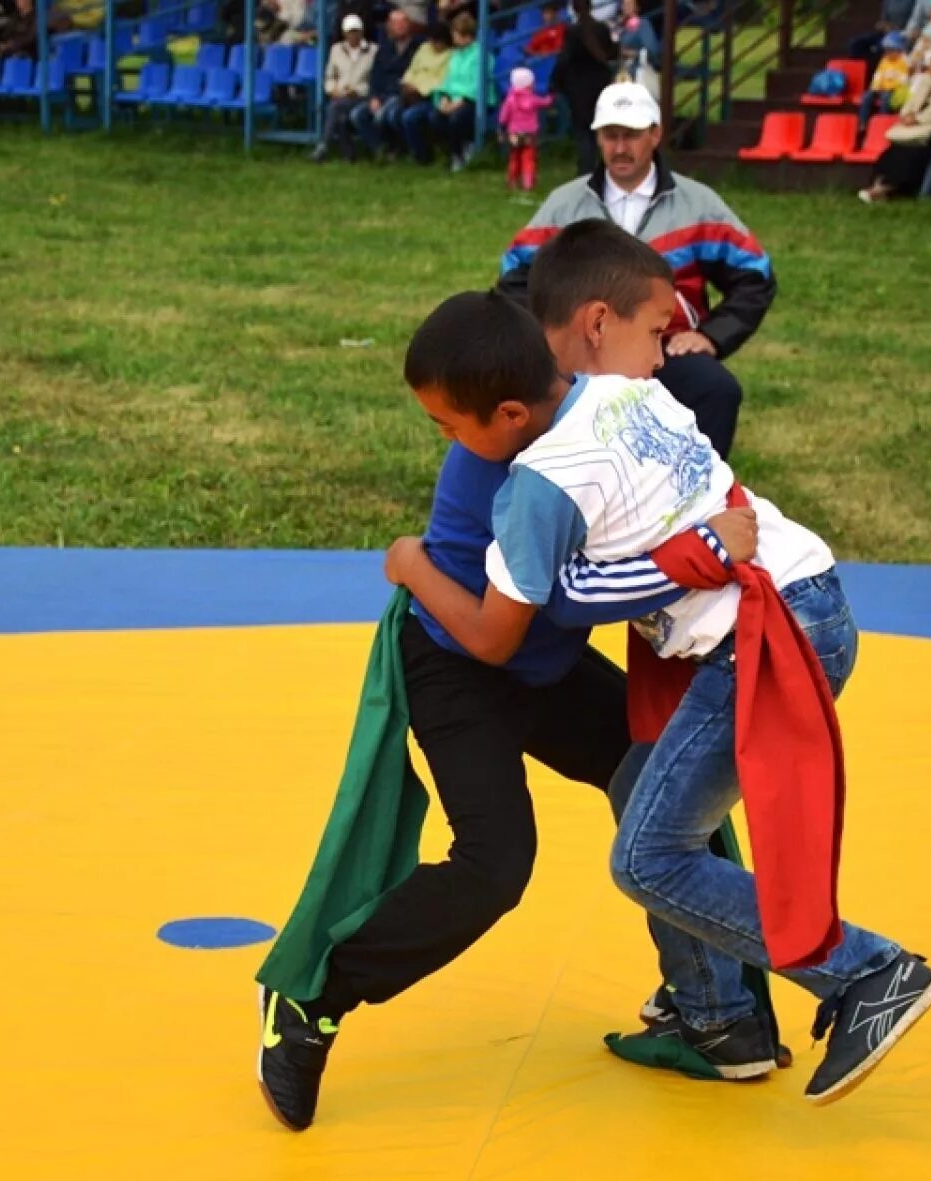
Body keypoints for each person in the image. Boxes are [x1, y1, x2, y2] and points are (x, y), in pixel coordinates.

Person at [382, 289, 931, 1106]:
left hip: (755, 640)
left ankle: (868, 972)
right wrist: (706, 545)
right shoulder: (625, 392)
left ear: (506, 414)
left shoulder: (535, 489)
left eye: (449, 427)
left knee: (649, 856)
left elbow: (515, 625)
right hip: (806, 593)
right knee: (645, 794)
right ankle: (716, 1016)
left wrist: (410, 564)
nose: (449, 445)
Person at [251, 275, 770, 1135]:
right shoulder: (505, 470)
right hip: (460, 664)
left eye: (448, 425)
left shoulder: (596, 423)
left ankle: (714, 1007)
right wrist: (417, 567)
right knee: (497, 864)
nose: (446, 442)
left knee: (663, 773)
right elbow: (493, 637)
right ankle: (311, 996)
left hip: (536, 661)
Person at [498, 84, 776, 462]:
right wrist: (549, 342)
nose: (620, 148)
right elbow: (515, 274)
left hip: (663, 349)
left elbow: (755, 274)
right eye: (610, 136)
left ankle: (693, 497)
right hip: (581, 356)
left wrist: (712, 336)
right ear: (598, 138)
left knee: (716, 389)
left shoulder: (697, 204)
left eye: (631, 136)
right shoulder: (565, 204)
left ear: (655, 134)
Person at [859, 45, 931, 201]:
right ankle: (877, 186)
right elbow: (913, 100)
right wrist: (907, 113)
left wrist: (918, 119)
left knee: (910, 156)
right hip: (912, 127)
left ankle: (882, 190)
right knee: (893, 152)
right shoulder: (927, 79)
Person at [551, 0, 617, 172]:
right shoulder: (602, 28)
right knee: (601, 129)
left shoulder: (573, 32)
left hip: (578, 89)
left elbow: (565, 60)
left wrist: (555, 83)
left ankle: (586, 170)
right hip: (601, 85)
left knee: (583, 132)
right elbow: (611, 53)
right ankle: (605, 167)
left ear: (574, 8)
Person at [352, 7, 414, 160]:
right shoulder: (384, 49)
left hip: (402, 95)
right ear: (390, 26)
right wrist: (373, 97)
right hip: (382, 94)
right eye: (395, 23)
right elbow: (375, 75)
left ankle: (399, 149)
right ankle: (380, 150)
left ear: (408, 25)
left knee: (384, 115)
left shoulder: (418, 47)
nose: (399, 26)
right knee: (357, 115)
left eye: (402, 23)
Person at [313, 13, 374, 161]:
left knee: (335, 108)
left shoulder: (373, 51)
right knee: (340, 116)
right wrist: (331, 89)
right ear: (344, 33)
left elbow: (376, 81)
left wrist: (359, 91)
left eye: (356, 31)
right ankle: (349, 155)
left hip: (362, 96)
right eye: (350, 32)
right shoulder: (336, 50)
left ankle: (324, 145)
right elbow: (330, 76)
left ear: (361, 31)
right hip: (341, 94)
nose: (353, 35)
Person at [428, 10, 481, 171]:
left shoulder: (480, 54)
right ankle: (455, 152)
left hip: (473, 100)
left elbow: (477, 84)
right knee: (435, 117)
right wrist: (444, 97)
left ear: (467, 35)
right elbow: (448, 80)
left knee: (456, 118)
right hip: (453, 99)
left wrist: (462, 100)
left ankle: (463, 151)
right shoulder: (456, 55)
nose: (453, 37)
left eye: (456, 34)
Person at [396, 22, 451, 161]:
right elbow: (412, 69)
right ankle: (403, 151)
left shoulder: (450, 56)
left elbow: (441, 81)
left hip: (431, 98)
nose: (433, 45)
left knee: (409, 117)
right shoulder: (424, 48)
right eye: (431, 41)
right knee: (390, 115)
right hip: (411, 93)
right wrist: (407, 83)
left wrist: (419, 89)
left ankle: (422, 156)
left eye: (437, 42)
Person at [499, 64, 553, 190]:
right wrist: (551, 96)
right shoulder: (533, 99)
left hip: (514, 134)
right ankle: (528, 181)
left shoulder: (510, 99)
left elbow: (503, 116)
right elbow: (546, 103)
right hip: (530, 133)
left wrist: (502, 127)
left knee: (514, 157)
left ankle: (512, 180)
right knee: (529, 158)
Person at [858, 30, 910, 132]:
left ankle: (883, 122)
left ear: (898, 50)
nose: (887, 53)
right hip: (881, 88)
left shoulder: (903, 62)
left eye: (890, 51)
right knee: (867, 96)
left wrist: (887, 87)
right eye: (886, 51)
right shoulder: (884, 60)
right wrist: (875, 87)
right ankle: (863, 123)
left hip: (894, 90)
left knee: (885, 98)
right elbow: (878, 75)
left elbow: (902, 80)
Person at [616, 0, 659, 95]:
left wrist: (629, 52)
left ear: (637, 8)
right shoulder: (620, 27)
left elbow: (652, 51)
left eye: (629, 4)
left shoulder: (643, 24)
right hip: (622, 75)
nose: (625, 7)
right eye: (624, 4)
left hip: (637, 73)